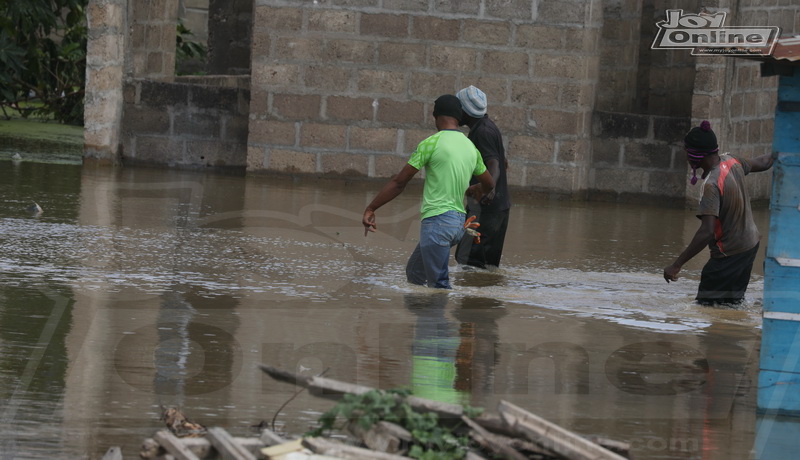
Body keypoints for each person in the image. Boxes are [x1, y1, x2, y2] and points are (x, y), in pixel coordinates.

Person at [362, 94, 495, 289]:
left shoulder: (431, 143)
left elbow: (399, 183)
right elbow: (490, 184)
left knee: (439, 287)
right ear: (458, 118)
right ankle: (420, 318)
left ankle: (437, 319)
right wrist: (476, 188)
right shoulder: (470, 147)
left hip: (438, 223)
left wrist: (371, 208)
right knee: (415, 273)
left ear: (436, 116)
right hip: (457, 225)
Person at [663, 120, 774, 305]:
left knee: (707, 308)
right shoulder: (732, 160)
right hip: (750, 245)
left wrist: (676, 265)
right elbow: (763, 162)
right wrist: (780, 151)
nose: (686, 156)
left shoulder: (711, 186)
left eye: (687, 151)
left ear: (695, 155)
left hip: (728, 254)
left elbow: (706, 232)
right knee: (731, 306)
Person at [453, 86, 511, 269]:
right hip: (499, 208)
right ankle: (484, 298)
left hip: (485, 209)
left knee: (468, 260)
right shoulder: (488, 127)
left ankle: (472, 297)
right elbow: (504, 162)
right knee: (487, 266)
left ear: (465, 110)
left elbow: (494, 163)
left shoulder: (482, 132)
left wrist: (488, 188)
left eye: (458, 107)